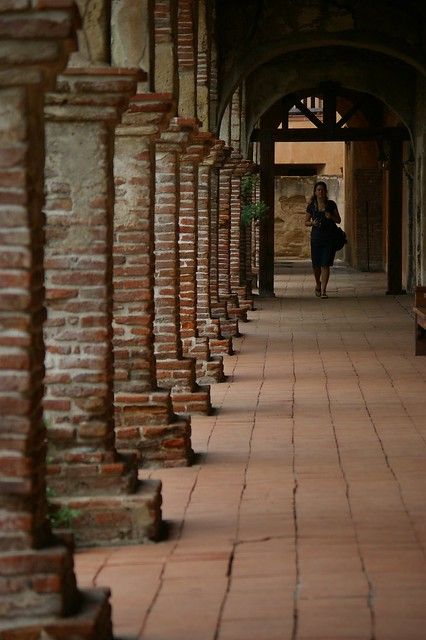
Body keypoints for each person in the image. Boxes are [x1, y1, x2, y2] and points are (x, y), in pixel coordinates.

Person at [305, 181, 341, 299]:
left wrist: (331, 217)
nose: (320, 192)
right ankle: (318, 284)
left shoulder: (331, 204)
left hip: (329, 238)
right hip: (316, 238)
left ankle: (324, 290)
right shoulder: (311, 206)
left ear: (326, 192)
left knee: (325, 264)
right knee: (316, 265)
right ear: (315, 192)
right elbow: (306, 222)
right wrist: (312, 223)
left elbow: (338, 220)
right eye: (318, 190)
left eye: (322, 190)